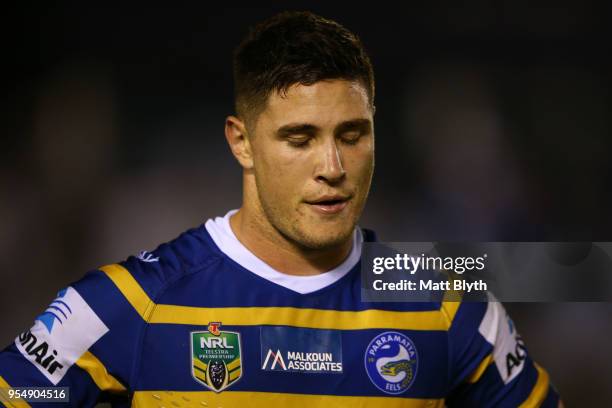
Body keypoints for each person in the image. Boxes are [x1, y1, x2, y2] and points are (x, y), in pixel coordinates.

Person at [0, 11, 561, 407]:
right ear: (241, 142)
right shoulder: (131, 302)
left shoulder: (448, 303)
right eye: (299, 139)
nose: (333, 167)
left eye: (352, 134)